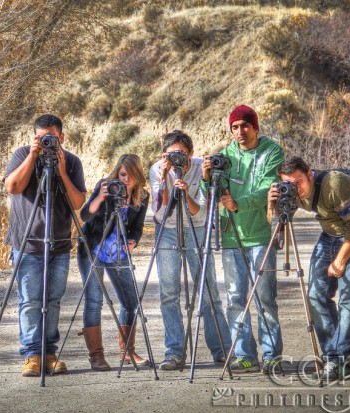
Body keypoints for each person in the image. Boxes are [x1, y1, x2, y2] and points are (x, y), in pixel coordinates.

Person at [268, 156, 350, 381]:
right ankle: (332, 357)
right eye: (289, 184)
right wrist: (273, 205)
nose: (294, 188)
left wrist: (339, 261)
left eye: (298, 182)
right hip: (330, 233)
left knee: (349, 299)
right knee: (316, 295)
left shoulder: (334, 184)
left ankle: (341, 359)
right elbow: (277, 232)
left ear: (310, 174)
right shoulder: (291, 191)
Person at [202, 104, 285, 374]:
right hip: (231, 237)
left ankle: (272, 354)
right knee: (236, 298)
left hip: (261, 234)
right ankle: (245, 355)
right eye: (234, 127)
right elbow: (213, 194)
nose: (239, 131)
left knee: (264, 299)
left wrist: (238, 203)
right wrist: (206, 178)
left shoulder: (272, 151)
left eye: (244, 126)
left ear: (255, 127)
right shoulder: (225, 155)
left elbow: (267, 189)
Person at [2, 114, 86, 377]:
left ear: (61, 137)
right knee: (30, 301)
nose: (46, 141)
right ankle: (31, 355)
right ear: (34, 136)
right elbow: (13, 187)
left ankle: (49, 353)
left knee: (53, 300)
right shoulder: (22, 154)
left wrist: (60, 171)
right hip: (27, 242)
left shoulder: (71, 162)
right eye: (40, 137)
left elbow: (77, 202)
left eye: (50, 137)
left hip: (59, 244)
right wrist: (32, 154)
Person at [149, 129, 232, 370]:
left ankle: (222, 350)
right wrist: (164, 177)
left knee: (208, 290)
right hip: (167, 229)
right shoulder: (158, 168)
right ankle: (174, 352)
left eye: (181, 154)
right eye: (170, 154)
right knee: (169, 293)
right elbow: (160, 211)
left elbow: (202, 212)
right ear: (164, 155)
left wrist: (185, 193)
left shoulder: (199, 167)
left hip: (196, 227)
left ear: (191, 153)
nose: (176, 159)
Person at [77, 154, 150, 371]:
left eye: (130, 175)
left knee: (130, 301)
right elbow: (85, 216)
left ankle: (127, 352)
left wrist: (133, 243)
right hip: (93, 249)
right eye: (122, 174)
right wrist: (100, 197)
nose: (126, 180)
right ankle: (96, 356)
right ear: (117, 172)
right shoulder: (105, 187)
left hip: (118, 252)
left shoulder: (142, 196)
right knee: (94, 301)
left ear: (138, 177)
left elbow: (136, 229)